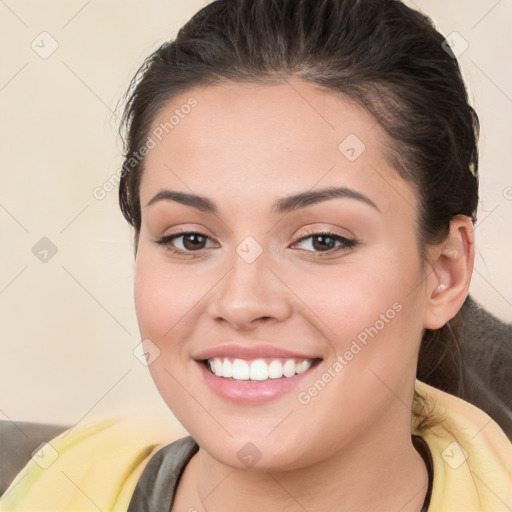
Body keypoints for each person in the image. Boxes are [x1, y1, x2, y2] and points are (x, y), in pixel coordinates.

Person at [1, 0, 511, 510]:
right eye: (191, 239)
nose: (242, 303)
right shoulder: (37, 486)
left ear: (445, 273)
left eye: (322, 240)